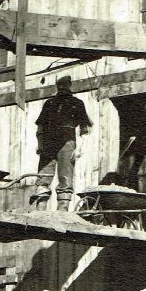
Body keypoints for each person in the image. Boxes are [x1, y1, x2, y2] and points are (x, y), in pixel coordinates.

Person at [34, 75, 92, 210]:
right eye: (59, 84)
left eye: (64, 84)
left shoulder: (77, 103)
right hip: (49, 140)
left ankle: (63, 209)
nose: (61, 87)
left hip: (67, 141)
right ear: (56, 85)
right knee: (44, 174)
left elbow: (84, 128)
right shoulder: (49, 103)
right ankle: (40, 208)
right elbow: (40, 126)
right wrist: (40, 144)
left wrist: (80, 148)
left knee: (65, 175)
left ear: (69, 84)